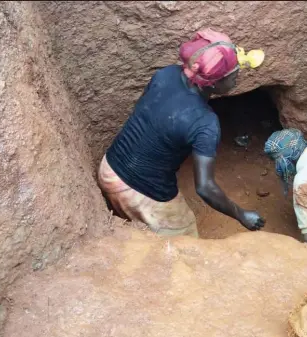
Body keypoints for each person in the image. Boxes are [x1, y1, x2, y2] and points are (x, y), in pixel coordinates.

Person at [98, 29, 265, 238]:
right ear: (213, 83)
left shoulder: (166, 74)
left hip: (109, 168)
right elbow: (205, 187)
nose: (237, 77)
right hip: (137, 191)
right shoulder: (205, 123)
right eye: (233, 75)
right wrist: (242, 215)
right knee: (185, 239)